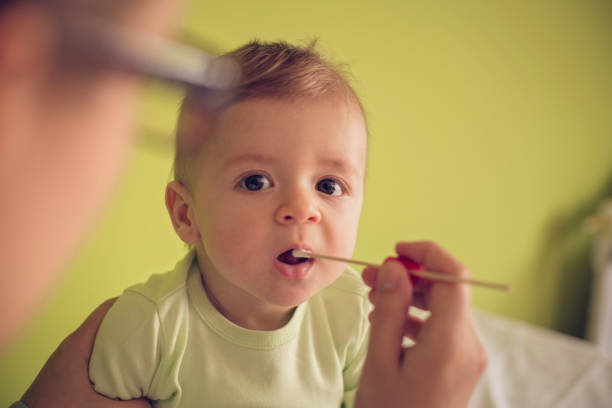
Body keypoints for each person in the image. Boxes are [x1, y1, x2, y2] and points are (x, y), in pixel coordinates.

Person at [2, 1, 485, 405]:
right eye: (255, 181)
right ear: (185, 214)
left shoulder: (356, 313)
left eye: (330, 186)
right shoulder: (146, 325)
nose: (302, 209)